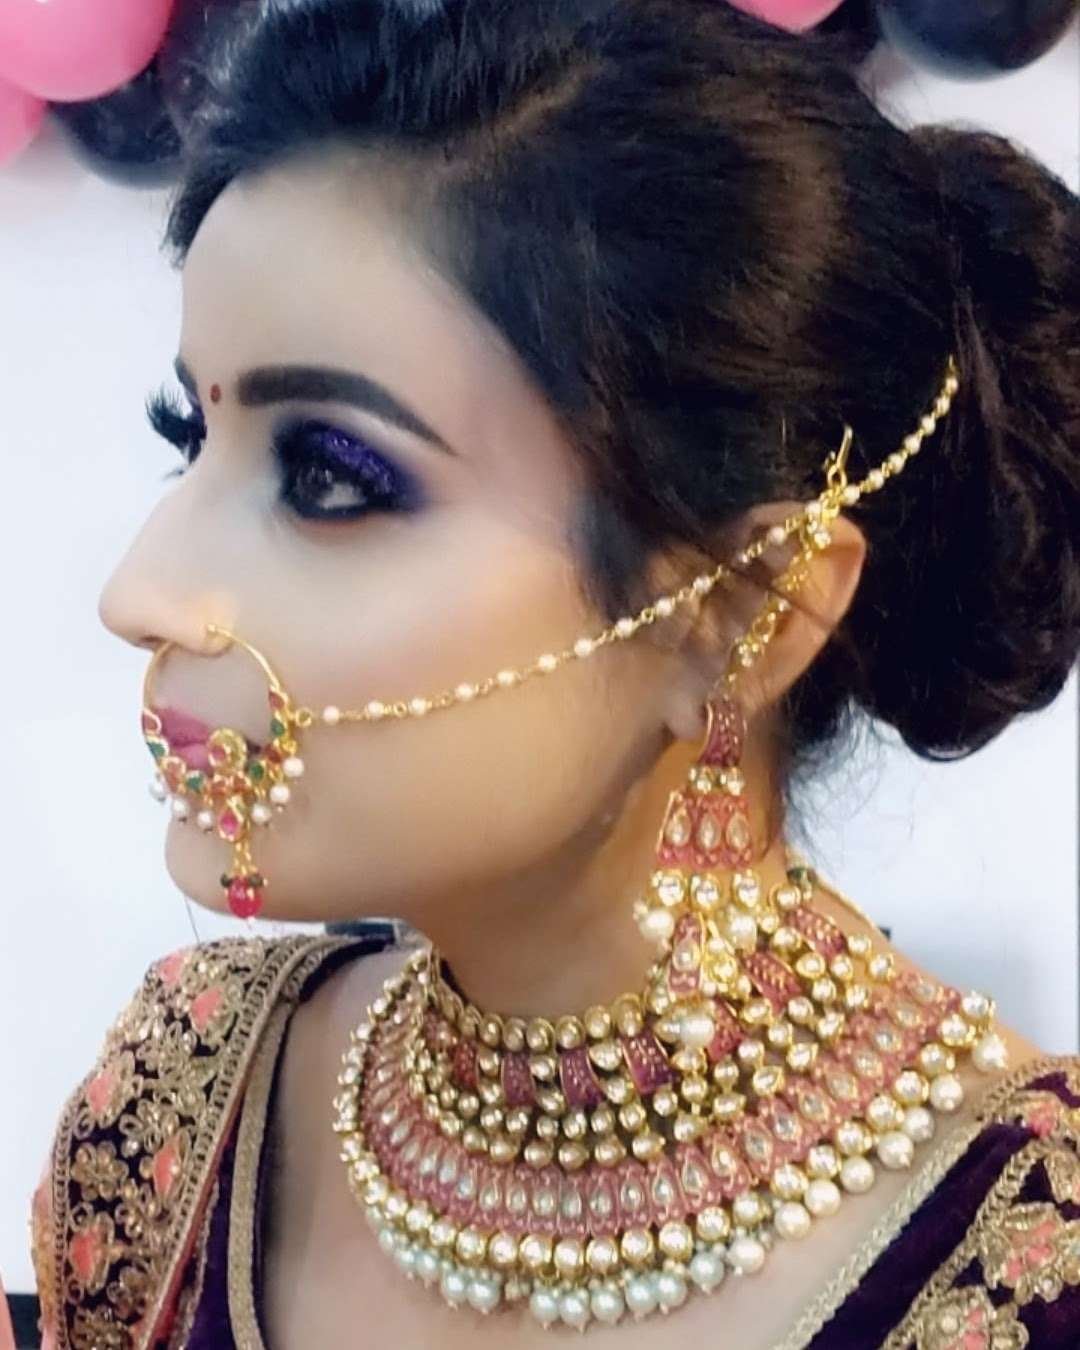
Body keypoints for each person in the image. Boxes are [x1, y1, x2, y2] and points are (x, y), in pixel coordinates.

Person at [28, 2, 1080, 1347]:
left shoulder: (1035, 1264)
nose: (137, 592)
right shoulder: (177, 1111)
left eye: (330, 477)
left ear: (740, 613)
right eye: (192, 436)